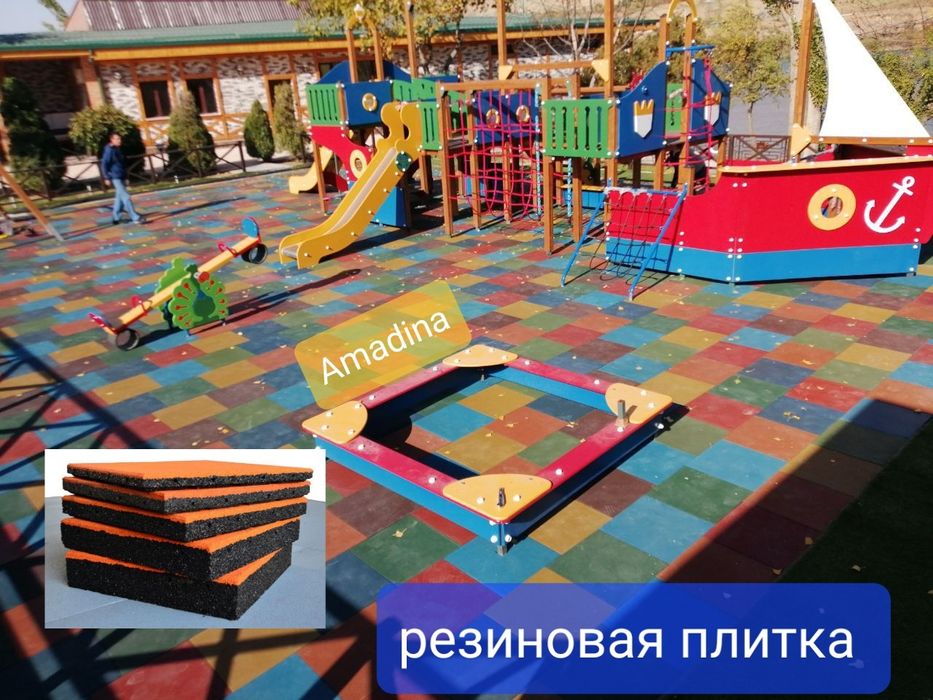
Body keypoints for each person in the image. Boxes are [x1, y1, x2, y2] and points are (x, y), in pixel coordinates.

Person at [101, 133, 146, 225]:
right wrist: (106, 177)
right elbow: (104, 164)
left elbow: (121, 165)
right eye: (117, 139)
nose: (119, 141)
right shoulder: (109, 150)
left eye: (120, 139)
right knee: (126, 197)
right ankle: (135, 217)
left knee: (119, 199)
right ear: (112, 140)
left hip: (121, 176)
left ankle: (116, 217)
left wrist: (125, 177)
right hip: (115, 177)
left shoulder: (117, 149)